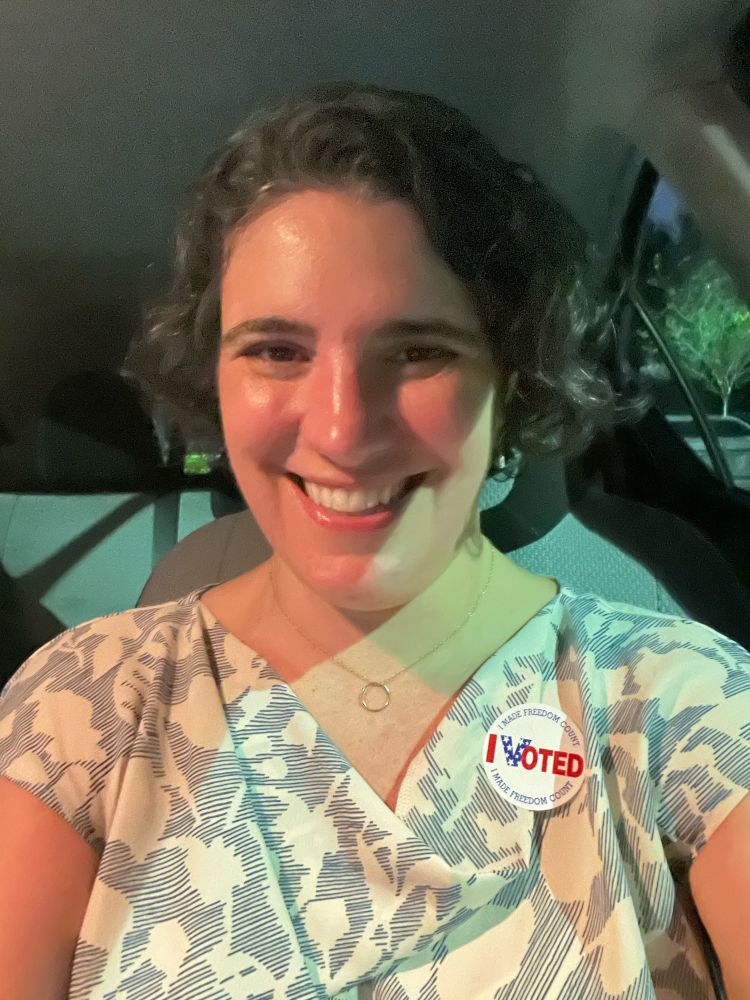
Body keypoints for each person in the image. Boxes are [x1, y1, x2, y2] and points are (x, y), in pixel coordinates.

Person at [1, 81, 748, 1000]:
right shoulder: (85, 707)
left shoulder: (677, 702)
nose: (345, 430)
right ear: (217, 382)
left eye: (418, 351)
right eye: (276, 351)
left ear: (510, 380)